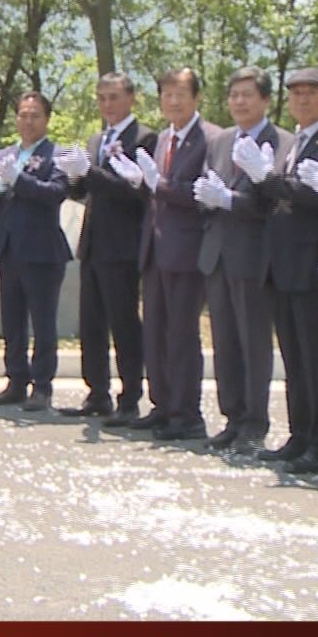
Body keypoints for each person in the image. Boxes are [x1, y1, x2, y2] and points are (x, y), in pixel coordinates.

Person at [254, 67, 318, 473]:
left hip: (317, 267)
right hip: (283, 264)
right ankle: (300, 434)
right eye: (295, 94)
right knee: (294, 358)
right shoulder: (292, 142)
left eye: (312, 93)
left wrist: (271, 182)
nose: (303, 100)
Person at [118, 68, 221, 442]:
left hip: (187, 248)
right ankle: (162, 405)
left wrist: (159, 185)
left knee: (181, 334)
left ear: (196, 97)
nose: (172, 101)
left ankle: (186, 413)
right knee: (156, 333)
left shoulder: (210, 138)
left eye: (180, 93)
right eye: (166, 94)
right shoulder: (163, 138)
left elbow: (201, 191)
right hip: (156, 247)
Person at [193, 67, 292, 452]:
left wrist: (231, 200)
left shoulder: (281, 142)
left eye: (247, 95)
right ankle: (232, 416)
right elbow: (206, 183)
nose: (239, 102)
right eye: (233, 94)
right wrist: (207, 196)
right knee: (224, 340)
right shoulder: (220, 141)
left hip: (253, 255)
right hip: (216, 251)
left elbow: (274, 200)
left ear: (265, 100)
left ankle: (255, 421)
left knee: (253, 341)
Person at [58, 74, 155, 423]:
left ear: (131, 98)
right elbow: (87, 191)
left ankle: (129, 397)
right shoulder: (98, 137)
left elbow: (135, 191)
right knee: (92, 322)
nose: (107, 104)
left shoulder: (144, 138)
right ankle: (96, 392)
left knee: (123, 321)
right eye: (101, 98)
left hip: (123, 243)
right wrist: (74, 177)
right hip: (94, 242)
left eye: (114, 97)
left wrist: (92, 174)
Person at [0, 92, 72, 412]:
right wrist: (0, 183)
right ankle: (16, 379)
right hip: (8, 247)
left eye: (35, 115)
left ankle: (42, 386)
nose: (28, 121)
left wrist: (21, 180)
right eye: (23, 114)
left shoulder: (58, 155)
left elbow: (55, 193)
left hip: (42, 250)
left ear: (46, 119)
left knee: (42, 321)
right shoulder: (3, 154)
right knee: (12, 320)